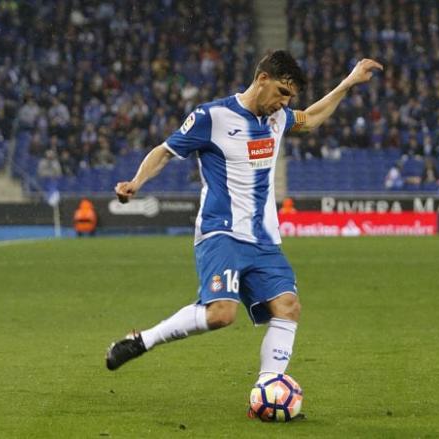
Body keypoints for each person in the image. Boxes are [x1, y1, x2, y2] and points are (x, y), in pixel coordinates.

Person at [105, 51, 382, 394]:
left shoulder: (277, 119)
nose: (285, 102)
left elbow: (310, 118)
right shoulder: (212, 116)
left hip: (264, 239)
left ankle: (268, 388)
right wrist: (136, 182)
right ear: (262, 78)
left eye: (290, 97)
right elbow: (164, 150)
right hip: (221, 232)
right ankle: (143, 340)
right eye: (282, 91)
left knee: (288, 307)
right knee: (221, 314)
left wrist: (349, 82)